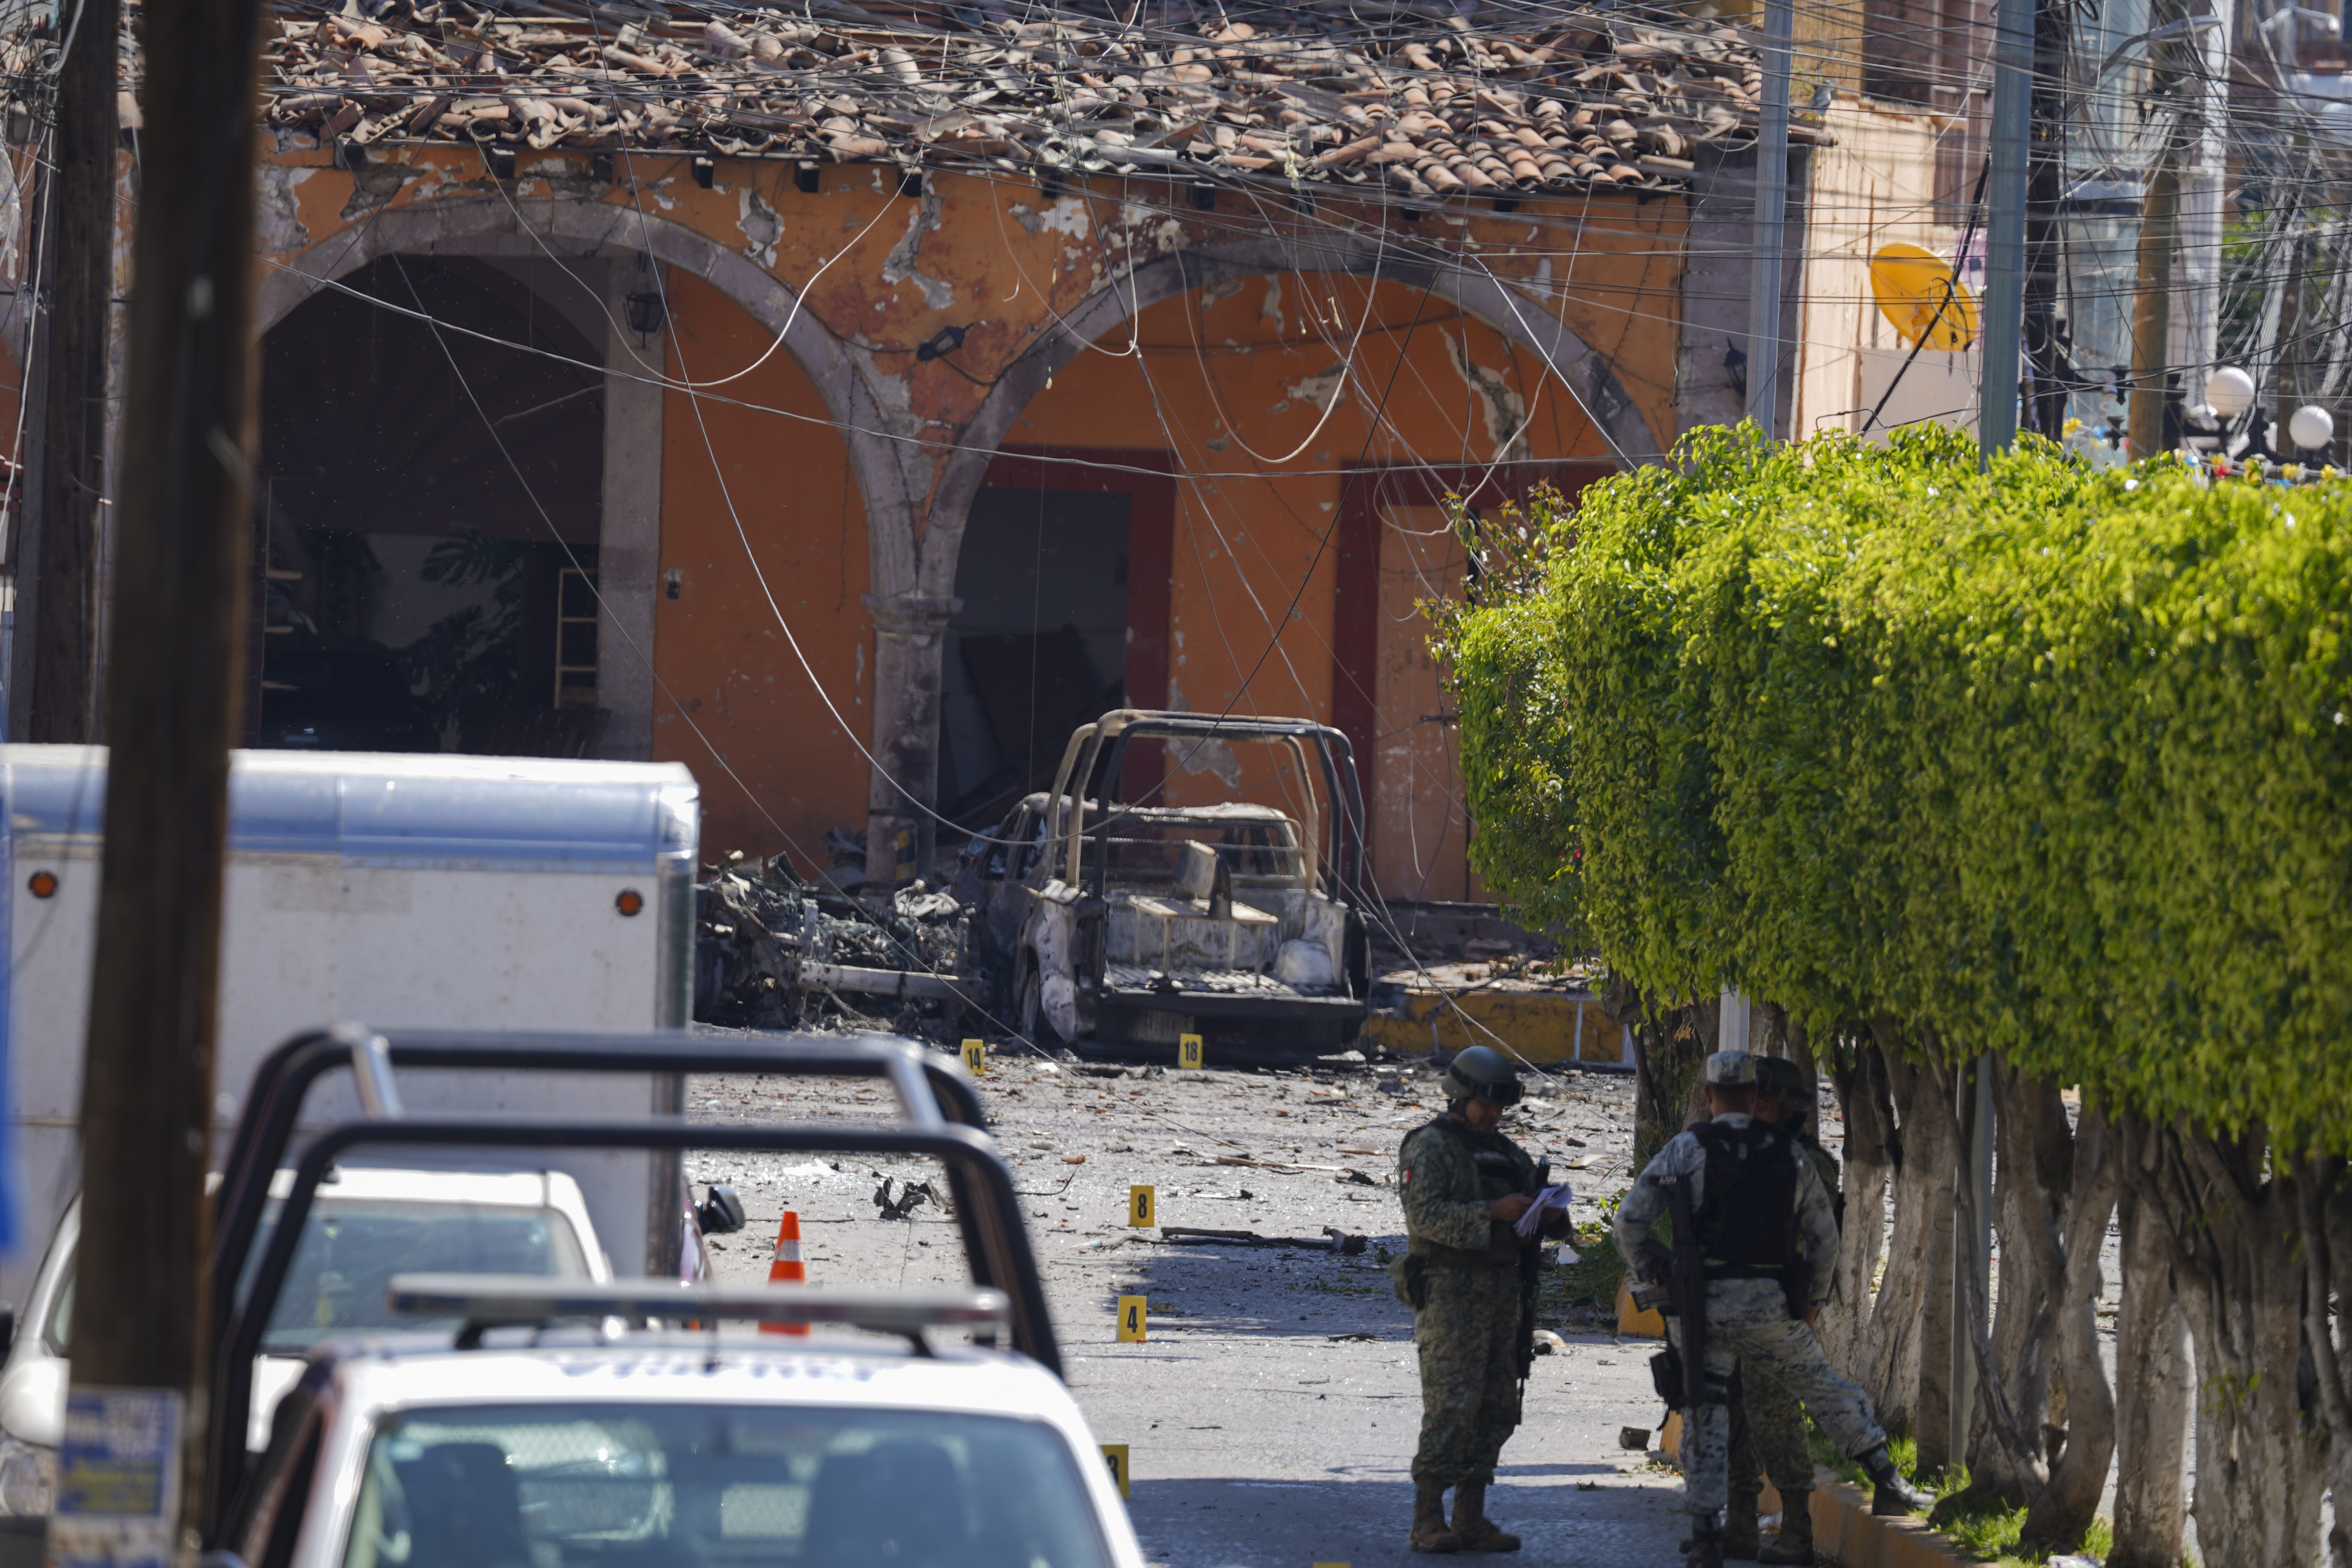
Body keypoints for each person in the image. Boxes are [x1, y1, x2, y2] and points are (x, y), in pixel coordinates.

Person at [1615, 1050, 1930, 1568]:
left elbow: (1629, 1224)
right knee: (1826, 1388)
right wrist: (1809, 1301)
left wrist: (1656, 1274)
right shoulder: (1790, 1154)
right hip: (1771, 1308)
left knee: (1704, 1411)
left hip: (1704, 1307)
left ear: (1710, 1094)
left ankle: (1708, 1536)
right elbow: (1825, 1240)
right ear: (1754, 1096)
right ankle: (1884, 1475)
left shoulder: (1688, 1147)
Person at [1395, 1044, 1571, 1554]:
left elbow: (1543, 1220)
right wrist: (1492, 1211)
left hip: (1503, 1293)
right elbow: (1425, 1217)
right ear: (1460, 1095)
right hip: (1451, 1291)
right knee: (1451, 1405)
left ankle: (1470, 1514)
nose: (1493, 1113)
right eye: (1485, 1103)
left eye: (1500, 1105)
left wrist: (1551, 1214)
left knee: (1496, 1406)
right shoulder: (1430, 1147)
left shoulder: (1508, 1154)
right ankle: (1427, 1516)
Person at [1720, 1057, 1837, 1564]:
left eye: (1763, 1103)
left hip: (1777, 1308)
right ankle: (1740, 1522)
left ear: (1788, 1110)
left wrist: (1810, 1304)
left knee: (1776, 1418)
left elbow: (1821, 1242)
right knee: (1729, 1413)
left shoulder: (1808, 1162)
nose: (1754, 1110)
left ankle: (1797, 1529)